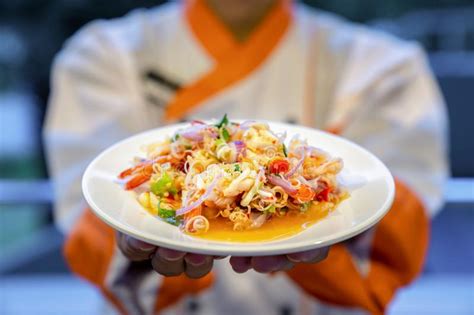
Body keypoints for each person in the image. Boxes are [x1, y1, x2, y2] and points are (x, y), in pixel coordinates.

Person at [44, 0, 449, 314]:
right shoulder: (102, 56)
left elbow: (399, 228)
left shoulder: (383, 68)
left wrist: (324, 215)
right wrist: (136, 230)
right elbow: (91, 214)